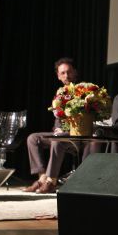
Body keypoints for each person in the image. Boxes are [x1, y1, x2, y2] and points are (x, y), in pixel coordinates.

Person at [23, 57, 79, 194]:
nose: (67, 75)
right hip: (59, 133)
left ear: (75, 73)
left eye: (69, 72)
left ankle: (51, 181)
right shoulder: (59, 92)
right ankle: (42, 178)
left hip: (77, 135)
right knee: (32, 138)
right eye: (63, 73)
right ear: (58, 76)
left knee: (57, 139)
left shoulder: (82, 91)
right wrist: (57, 128)